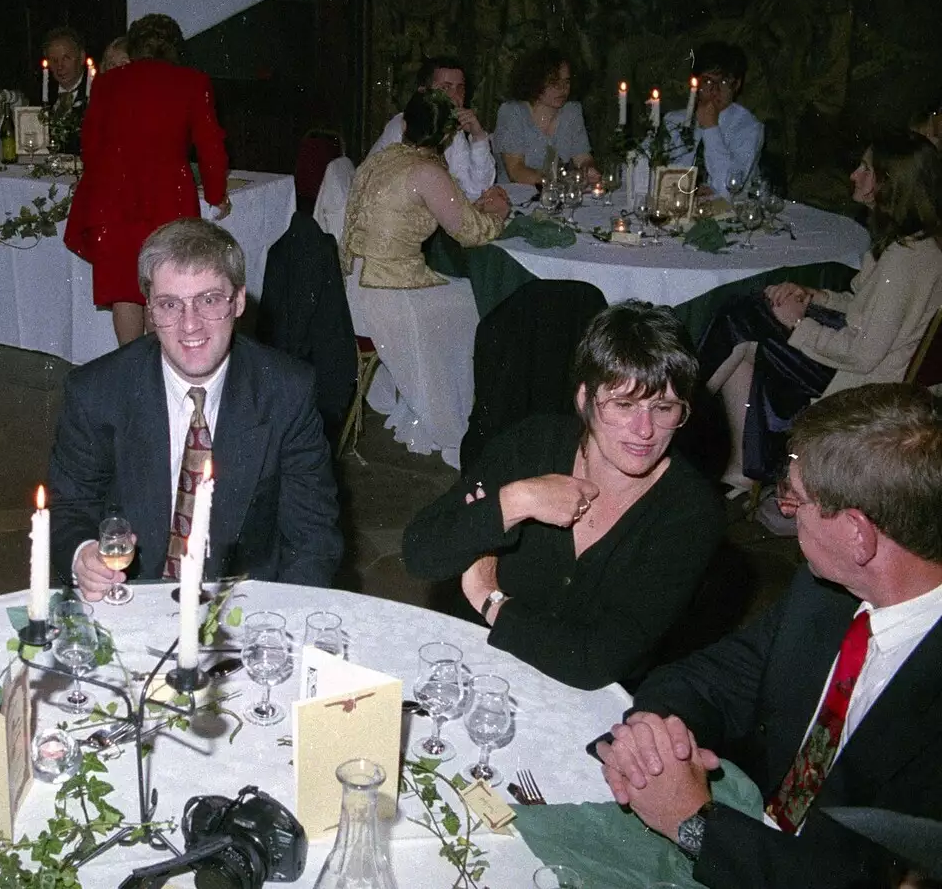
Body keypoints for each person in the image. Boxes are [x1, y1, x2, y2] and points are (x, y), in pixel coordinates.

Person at [593, 382, 942, 889]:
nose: (784, 511)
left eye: (795, 500)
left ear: (857, 534)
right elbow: (714, 677)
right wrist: (654, 733)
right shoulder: (826, 592)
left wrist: (695, 824)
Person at [401, 301, 723, 689]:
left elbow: (595, 661)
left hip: (587, 699)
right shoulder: (531, 446)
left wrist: (489, 598)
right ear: (584, 400)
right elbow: (420, 554)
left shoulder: (690, 511)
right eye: (623, 404)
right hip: (482, 665)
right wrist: (516, 501)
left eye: (664, 407)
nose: (645, 430)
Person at [49, 219, 342, 595]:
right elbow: (69, 505)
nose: (190, 325)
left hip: (243, 603)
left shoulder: (286, 391)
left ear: (237, 301)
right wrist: (83, 554)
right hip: (133, 598)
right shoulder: (97, 391)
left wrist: (280, 625)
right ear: (150, 311)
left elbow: (313, 537)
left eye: (208, 300)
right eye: (170, 304)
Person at [699, 130, 942, 491]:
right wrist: (814, 297)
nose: (854, 176)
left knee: (741, 320)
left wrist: (799, 325)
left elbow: (863, 354)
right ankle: (738, 465)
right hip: (866, 363)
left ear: (889, 184)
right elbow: (867, 307)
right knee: (750, 313)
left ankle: (679, 413)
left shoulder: (905, 261)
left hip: (863, 382)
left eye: (865, 169)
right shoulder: (919, 244)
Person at [64, 14, 230, 344]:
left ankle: (131, 374)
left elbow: (91, 147)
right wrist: (216, 195)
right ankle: (158, 376)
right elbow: (211, 148)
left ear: (135, 46)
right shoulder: (193, 82)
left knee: (126, 292)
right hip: (169, 202)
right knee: (163, 290)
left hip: (113, 202)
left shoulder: (108, 83)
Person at [343, 90, 508, 290]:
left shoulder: (380, 158)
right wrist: (500, 211)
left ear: (404, 125)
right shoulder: (428, 172)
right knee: (474, 295)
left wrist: (473, 208)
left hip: (351, 281)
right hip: (391, 288)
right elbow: (473, 234)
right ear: (447, 135)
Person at [367, 56, 509, 213]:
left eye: (460, 89)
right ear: (423, 92)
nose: (455, 97)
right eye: (445, 88)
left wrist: (478, 136)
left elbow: (476, 190)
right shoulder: (408, 127)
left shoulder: (452, 131)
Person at [663, 42, 764, 192]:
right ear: (696, 83)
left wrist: (711, 128)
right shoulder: (674, 120)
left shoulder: (749, 129)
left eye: (723, 82)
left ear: (736, 84)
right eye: (708, 81)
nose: (715, 90)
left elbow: (729, 187)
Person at [492, 46, 600, 186]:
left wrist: (588, 170)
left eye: (566, 81)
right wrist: (559, 181)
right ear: (535, 82)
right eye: (554, 82)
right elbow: (516, 171)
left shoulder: (572, 112)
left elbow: (583, 158)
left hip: (557, 195)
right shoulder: (513, 112)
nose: (563, 89)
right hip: (516, 198)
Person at [42, 26, 90, 154]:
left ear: (81, 57)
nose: (60, 67)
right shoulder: (42, 94)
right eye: (54, 60)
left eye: (66, 58)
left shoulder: (96, 93)